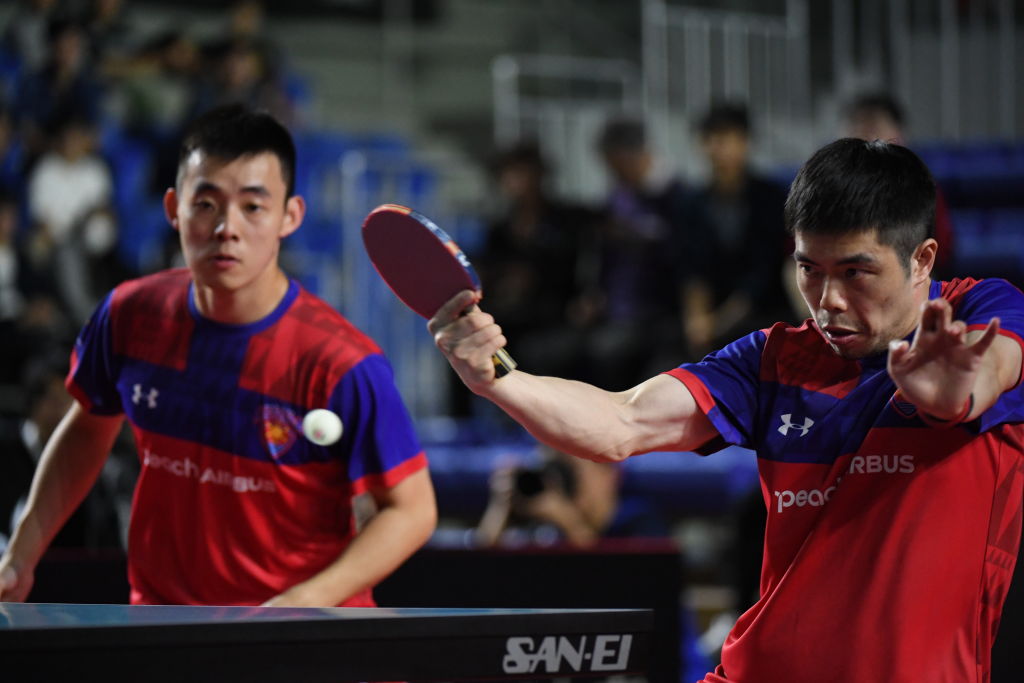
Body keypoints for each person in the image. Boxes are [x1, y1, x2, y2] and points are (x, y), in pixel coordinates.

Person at [427, 138, 1024, 681]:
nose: (829, 301)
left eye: (855, 272)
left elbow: (991, 369)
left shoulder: (985, 312)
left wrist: (954, 395)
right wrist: (499, 378)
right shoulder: (774, 358)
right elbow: (621, 421)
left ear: (922, 259)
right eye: (809, 269)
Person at [0, 104, 437, 607]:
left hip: (301, 635)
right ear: (173, 208)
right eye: (206, 204)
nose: (227, 227)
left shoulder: (340, 362)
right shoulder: (130, 315)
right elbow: (86, 430)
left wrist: (304, 602)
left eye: (253, 207)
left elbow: (411, 510)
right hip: (164, 626)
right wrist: (20, 555)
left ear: (290, 216)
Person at [685, 102, 796, 357]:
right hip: (712, 315)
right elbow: (691, 268)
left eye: (725, 139)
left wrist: (719, 323)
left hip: (764, 312)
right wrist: (696, 321)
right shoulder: (691, 202)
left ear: (745, 142)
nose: (716, 148)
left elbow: (763, 272)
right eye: (709, 139)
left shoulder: (771, 198)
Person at [843, 91, 956, 279]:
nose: (865, 137)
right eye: (856, 127)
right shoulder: (828, 186)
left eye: (874, 127)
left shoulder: (919, 184)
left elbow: (941, 252)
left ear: (899, 134)